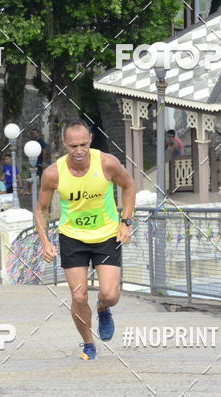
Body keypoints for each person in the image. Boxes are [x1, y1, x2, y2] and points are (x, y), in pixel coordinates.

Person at [35, 119, 136, 361]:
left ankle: (102, 308)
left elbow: (129, 186)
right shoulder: (52, 173)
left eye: (83, 144)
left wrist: (126, 221)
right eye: (73, 146)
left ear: (90, 140)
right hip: (73, 237)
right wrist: (44, 241)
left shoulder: (107, 163)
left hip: (106, 235)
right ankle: (89, 343)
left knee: (110, 294)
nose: (79, 151)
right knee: (79, 296)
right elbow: (41, 209)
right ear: (64, 144)